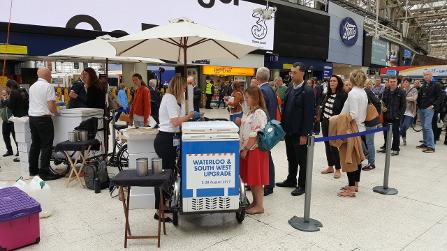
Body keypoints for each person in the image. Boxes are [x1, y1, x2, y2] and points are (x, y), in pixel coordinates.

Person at [154, 75, 194, 221]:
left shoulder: (176, 99)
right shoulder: (169, 98)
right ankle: (159, 210)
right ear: (178, 86)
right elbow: (175, 121)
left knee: (169, 172)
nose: (185, 89)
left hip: (171, 139)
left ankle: (164, 205)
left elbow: (179, 118)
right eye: (184, 87)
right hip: (165, 139)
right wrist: (189, 116)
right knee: (165, 174)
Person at [276, 62, 315, 197]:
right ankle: (291, 179)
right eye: (291, 72)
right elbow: (285, 109)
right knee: (291, 157)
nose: (292, 75)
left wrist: (305, 134)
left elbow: (309, 115)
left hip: (299, 133)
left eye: (295, 73)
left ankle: (302, 185)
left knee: (302, 160)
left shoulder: (308, 91)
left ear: (302, 73)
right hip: (288, 131)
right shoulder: (290, 89)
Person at [338, 70, 368, 197]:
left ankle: (350, 188)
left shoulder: (353, 93)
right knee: (357, 159)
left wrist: (341, 122)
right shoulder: (363, 92)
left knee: (349, 158)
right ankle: (355, 184)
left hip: (351, 129)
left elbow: (353, 114)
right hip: (360, 129)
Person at [239, 86, 269, 214]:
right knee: (251, 177)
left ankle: (260, 206)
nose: (246, 100)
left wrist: (246, 148)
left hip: (254, 150)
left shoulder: (259, 113)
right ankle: (255, 202)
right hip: (248, 148)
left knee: (256, 179)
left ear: (255, 97)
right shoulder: (250, 111)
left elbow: (255, 134)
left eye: (247, 97)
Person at [28, 68, 62, 181]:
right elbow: (51, 106)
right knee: (46, 145)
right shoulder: (48, 86)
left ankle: (33, 169)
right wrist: (57, 113)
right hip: (43, 119)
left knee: (35, 144)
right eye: (50, 74)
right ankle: (44, 172)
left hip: (32, 118)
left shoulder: (32, 86)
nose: (51, 76)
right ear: (47, 75)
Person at [320, 75, 348, 178]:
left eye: (334, 81)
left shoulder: (343, 95)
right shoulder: (327, 94)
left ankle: (337, 168)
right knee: (327, 145)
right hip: (325, 122)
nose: (332, 83)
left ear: (338, 82)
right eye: (330, 81)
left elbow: (344, 111)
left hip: (335, 124)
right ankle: (330, 166)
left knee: (334, 146)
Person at [256, 67, 278, 196]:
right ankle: (267, 183)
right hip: (270, 125)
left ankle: (269, 184)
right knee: (266, 155)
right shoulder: (270, 89)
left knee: (266, 156)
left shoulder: (262, 91)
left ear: (257, 78)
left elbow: (260, 110)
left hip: (263, 127)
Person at [416, 71, 443, 153]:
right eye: (424, 75)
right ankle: (425, 143)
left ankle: (431, 146)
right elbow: (420, 96)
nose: (425, 76)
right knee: (424, 127)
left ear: (431, 76)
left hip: (429, 109)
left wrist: (433, 105)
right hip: (422, 109)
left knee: (427, 126)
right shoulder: (423, 85)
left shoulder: (436, 85)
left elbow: (441, 97)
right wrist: (418, 106)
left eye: (427, 74)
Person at [379, 76, 406, 156]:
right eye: (391, 81)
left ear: (397, 82)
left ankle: (395, 149)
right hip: (386, 116)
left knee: (396, 133)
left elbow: (403, 106)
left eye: (394, 81)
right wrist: (383, 108)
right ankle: (386, 147)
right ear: (388, 82)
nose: (392, 83)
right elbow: (382, 102)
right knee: (385, 133)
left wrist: (399, 116)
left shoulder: (401, 92)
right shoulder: (386, 91)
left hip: (396, 117)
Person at [362, 79, 382, 171]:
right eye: (367, 83)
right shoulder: (367, 91)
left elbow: (378, 102)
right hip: (367, 120)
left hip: (370, 120)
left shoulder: (367, 91)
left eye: (370, 83)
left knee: (369, 142)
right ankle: (367, 156)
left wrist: (376, 114)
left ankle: (371, 162)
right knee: (364, 140)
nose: (369, 85)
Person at [399, 78, 418, 146]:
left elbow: (414, 98)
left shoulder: (414, 90)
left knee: (405, 126)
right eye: (404, 82)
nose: (405, 83)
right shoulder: (401, 90)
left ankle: (396, 137)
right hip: (401, 111)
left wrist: (404, 98)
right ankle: (404, 139)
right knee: (401, 127)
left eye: (407, 82)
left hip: (410, 111)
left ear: (409, 83)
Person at [1, 90, 17, 157]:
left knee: (15, 137)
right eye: (2, 94)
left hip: (12, 121)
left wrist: (5, 99)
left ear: (8, 94)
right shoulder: (1, 101)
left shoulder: (10, 101)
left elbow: (8, 104)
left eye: (5, 94)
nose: (4, 96)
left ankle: (19, 150)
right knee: (5, 137)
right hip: (5, 121)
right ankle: (9, 151)